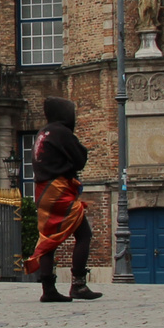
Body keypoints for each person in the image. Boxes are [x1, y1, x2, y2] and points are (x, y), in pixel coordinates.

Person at [24, 97, 100, 302]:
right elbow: (80, 159)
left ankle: (48, 288)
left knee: (49, 240)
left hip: (42, 191)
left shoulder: (43, 132)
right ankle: (78, 285)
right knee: (84, 234)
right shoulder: (61, 132)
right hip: (59, 190)